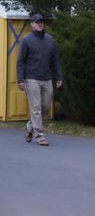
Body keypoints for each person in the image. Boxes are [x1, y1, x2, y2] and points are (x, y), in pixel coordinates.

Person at [16, 13, 63, 146]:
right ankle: (40, 135)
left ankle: (30, 126)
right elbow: (20, 61)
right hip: (31, 79)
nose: (40, 24)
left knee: (45, 107)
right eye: (37, 22)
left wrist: (59, 76)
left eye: (41, 21)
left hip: (47, 79)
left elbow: (55, 60)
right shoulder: (26, 40)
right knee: (36, 108)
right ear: (32, 24)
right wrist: (20, 80)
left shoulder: (50, 40)